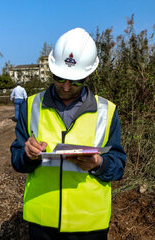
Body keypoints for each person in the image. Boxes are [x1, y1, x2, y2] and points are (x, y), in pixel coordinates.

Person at [10, 28, 126, 239]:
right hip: (42, 221)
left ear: (88, 75)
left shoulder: (107, 112)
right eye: (59, 77)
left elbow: (118, 165)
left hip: (89, 225)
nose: (65, 86)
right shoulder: (30, 107)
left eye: (75, 81)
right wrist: (27, 155)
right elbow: (17, 160)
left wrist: (100, 163)